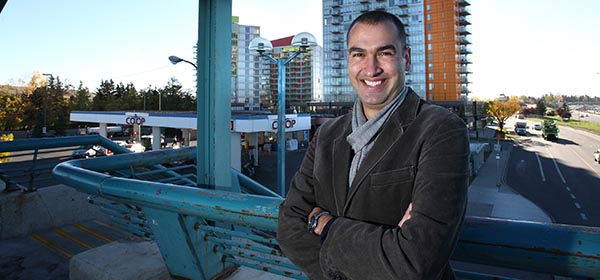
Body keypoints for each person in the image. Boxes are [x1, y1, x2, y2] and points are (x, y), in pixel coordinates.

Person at [277, 10, 470, 280]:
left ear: (407, 58)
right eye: (359, 54)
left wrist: (327, 225)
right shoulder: (327, 134)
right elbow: (288, 228)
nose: (371, 68)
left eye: (385, 53)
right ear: (348, 61)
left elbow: (416, 260)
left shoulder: (441, 129)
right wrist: (382, 249)